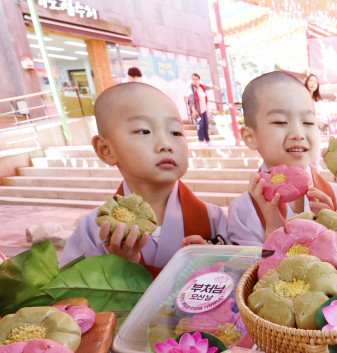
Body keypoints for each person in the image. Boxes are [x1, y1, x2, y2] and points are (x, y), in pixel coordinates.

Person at [60, 83, 228, 275]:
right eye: (144, 131)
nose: (166, 144)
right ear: (106, 150)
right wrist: (121, 265)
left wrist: (216, 266)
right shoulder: (94, 229)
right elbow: (72, 301)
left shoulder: (212, 218)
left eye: (175, 132)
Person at [226, 71, 337, 246]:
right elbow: (248, 271)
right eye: (280, 122)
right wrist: (273, 231)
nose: (298, 134)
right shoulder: (243, 211)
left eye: (308, 122)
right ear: (250, 137)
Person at [190, 73, 212, 143]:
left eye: (196, 79)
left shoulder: (202, 87)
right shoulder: (191, 89)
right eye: (193, 79)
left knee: (205, 125)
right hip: (197, 111)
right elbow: (191, 100)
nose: (194, 81)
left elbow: (208, 87)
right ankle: (201, 140)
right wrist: (194, 111)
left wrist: (215, 87)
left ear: (199, 80)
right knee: (200, 125)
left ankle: (207, 140)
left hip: (204, 110)